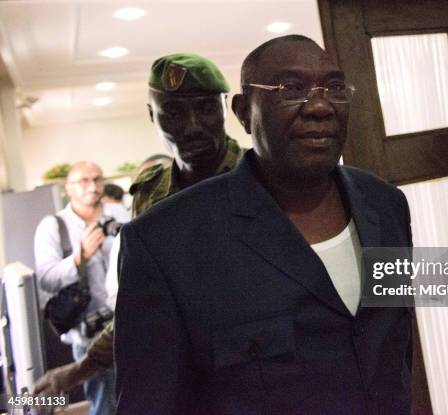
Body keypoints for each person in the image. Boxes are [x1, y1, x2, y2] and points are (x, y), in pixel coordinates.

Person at [114, 35, 413, 414]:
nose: (320, 105)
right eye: (291, 89)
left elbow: (396, 351)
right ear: (242, 112)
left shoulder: (385, 205)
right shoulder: (163, 242)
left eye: (335, 88)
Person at [33, 53, 245, 400]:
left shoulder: (261, 182)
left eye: (206, 108)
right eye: (174, 112)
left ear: (227, 107)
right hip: (177, 382)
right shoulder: (150, 193)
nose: (192, 126)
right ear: (152, 115)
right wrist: (81, 369)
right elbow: (142, 305)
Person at [34, 162, 121, 415]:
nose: (92, 187)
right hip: (89, 333)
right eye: (83, 181)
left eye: (97, 179)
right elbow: (46, 279)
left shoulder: (121, 214)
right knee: (105, 404)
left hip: (131, 325)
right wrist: (78, 258)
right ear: (68, 188)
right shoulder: (53, 227)